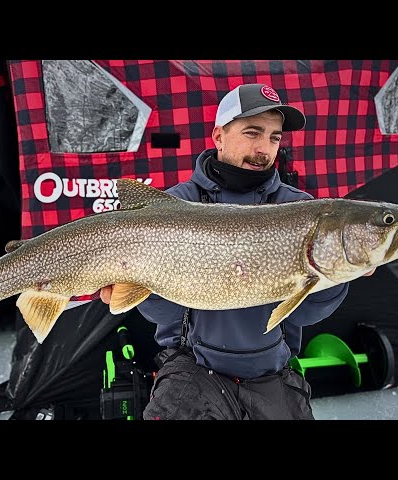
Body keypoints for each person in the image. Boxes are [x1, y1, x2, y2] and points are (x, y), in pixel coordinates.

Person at [100, 83, 375, 420]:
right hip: (193, 370)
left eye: (274, 138)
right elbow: (163, 316)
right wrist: (135, 286)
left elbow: (303, 315)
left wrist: (336, 272)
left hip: (273, 373)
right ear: (219, 136)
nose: (264, 148)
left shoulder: (300, 208)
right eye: (252, 133)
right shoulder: (175, 205)